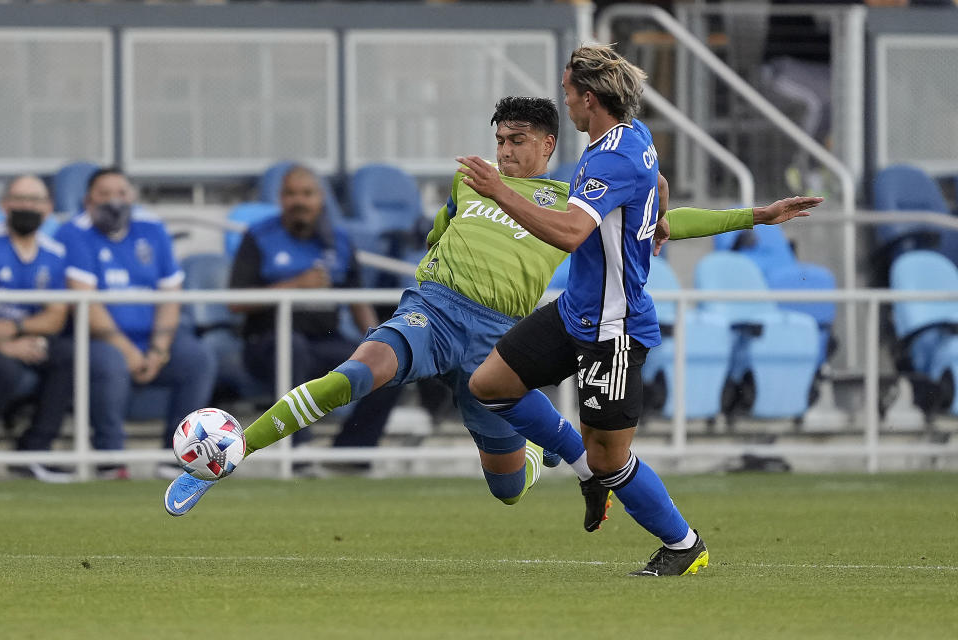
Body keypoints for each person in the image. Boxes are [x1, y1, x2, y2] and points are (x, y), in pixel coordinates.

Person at [164, 95, 818, 520]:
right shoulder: (472, 178)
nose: (503, 151)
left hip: (498, 344)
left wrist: (753, 215)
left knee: (506, 489)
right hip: (433, 312)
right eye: (499, 139)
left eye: (517, 141)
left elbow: (668, 222)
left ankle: (540, 456)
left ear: (547, 147)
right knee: (356, 376)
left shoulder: (577, 197)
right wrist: (432, 266)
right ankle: (230, 456)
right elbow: (445, 228)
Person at [457, 45, 821, 576]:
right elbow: (659, 185)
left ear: (588, 99)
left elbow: (569, 231)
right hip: (575, 311)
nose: (565, 104)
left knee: (611, 458)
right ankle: (583, 467)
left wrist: (497, 191)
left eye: (567, 95)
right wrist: (672, 214)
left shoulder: (611, 156)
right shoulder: (632, 138)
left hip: (615, 327)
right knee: (490, 384)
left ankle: (683, 544)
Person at [228, 165, 402, 469]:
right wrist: (295, 285)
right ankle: (299, 452)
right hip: (266, 343)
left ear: (320, 198)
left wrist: (379, 340)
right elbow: (235, 302)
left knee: (388, 363)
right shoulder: (259, 237)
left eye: (307, 193)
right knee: (292, 348)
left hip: (324, 340)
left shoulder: (339, 240)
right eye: (291, 193)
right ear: (280, 198)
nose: (300, 201)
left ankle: (351, 454)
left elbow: (357, 300)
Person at [56, 168, 216, 478]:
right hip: (100, 339)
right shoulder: (73, 233)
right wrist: (128, 351)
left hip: (152, 337)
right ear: (88, 200)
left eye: (121, 193)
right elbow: (86, 304)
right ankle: (110, 458)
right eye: (104, 194)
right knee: (110, 362)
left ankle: (180, 455)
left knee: (198, 359)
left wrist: (158, 349)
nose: (114, 201)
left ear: (133, 197)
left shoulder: (151, 228)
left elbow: (171, 294)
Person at [0, 175, 74, 482]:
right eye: (21, 199)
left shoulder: (54, 254)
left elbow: (56, 316)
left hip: (26, 338)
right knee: (5, 369)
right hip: (1, 347)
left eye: (35, 200)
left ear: (48, 208)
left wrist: (17, 329)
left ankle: (34, 451)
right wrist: (3, 344)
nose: (27, 207)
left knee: (68, 356)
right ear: (5, 204)